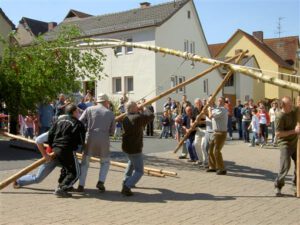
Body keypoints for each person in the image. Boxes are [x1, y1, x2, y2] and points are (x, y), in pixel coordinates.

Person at [77, 93, 115, 192]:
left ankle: (81, 185)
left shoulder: (89, 109)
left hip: (90, 138)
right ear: (106, 102)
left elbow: (80, 122)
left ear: (97, 101)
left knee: (85, 163)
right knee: (105, 162)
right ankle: (101, 182)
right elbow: (112, 132)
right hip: (104, 139)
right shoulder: (110, 113)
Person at [48, 104, 85, 197]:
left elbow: (50, 134)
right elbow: (81, 139)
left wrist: (52, 146)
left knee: (66, 168)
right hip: (67, 148)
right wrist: (78, 146)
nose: (78, 113)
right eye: (77, 111)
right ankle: (62, 188)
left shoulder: (58, 121)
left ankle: (63, 184)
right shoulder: (77, 123)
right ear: (73, 112)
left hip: (56, 148)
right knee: (76, 172)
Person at [121, 100, 154, 196]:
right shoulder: (136, 118)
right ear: (132, 108)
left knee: (131, 163)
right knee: (139, 171)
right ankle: (127, 186)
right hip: (134, 148)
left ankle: (126, 181)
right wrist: (143, 107)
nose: (138, 107)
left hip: (127, 147)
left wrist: (138, 108)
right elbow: (150, 116)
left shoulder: (125, 117)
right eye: (136, 106)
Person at [274, 96, 299, 197]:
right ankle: (278, 185)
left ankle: (295, 184)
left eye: (292, 104)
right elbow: (278, 134)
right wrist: (294, 131)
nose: (291, 106)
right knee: (285, 165)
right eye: (289, 105)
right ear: (283, 106)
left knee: (299, 165)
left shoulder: (293, 111)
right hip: (285, 143)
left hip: (295, 142)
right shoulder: (280, 116)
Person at [207, 97, 228, 175]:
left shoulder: (222, 110)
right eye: (218, 100)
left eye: (220, 101)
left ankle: (222, 169)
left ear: (223, 102)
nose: (218, 102)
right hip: (215, 132)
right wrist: (210, 105)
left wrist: (209, 109)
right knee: (210, 150)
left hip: (221, 133)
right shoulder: (217, 109)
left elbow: (210, 116)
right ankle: (213, 166)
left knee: (217, 151)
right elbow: (212, 109)